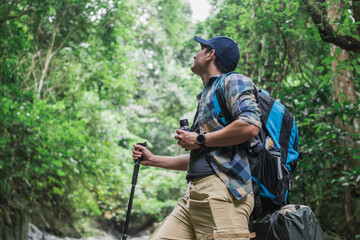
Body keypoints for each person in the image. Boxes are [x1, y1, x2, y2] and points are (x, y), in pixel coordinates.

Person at [132, 36, 261, 240]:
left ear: (211, 55)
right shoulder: (206, 96)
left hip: (223, 193)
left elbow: (250, 125)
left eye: (201, 49)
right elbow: (207, 156)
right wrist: (152, 160)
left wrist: (199, 139)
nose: (195, 54)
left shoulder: (233, 80)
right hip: (192, 197)